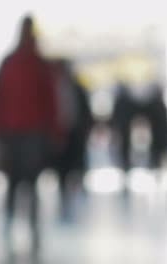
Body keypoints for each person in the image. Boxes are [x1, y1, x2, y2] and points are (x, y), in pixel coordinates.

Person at [0, 15, 60, 255]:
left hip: (21, 131)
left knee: (22, 182)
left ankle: (24, 225)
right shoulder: (33, 64)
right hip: (22, 131)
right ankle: (20, 225)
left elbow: (48, 102)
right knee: (22, 182)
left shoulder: (23, 64)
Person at [50, 59, 93, 223]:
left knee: (76, 165)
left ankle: (76, 191)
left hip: (75, 133)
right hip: (60, 134)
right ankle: (65, 196)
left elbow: (85, 111)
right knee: (63, 168)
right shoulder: (52, 87)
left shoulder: (77, 89)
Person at [111, 78, 167, 173]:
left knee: (160, 130)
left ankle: (157, 160)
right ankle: (124, 165)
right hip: (127, 96)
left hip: (151, 94)